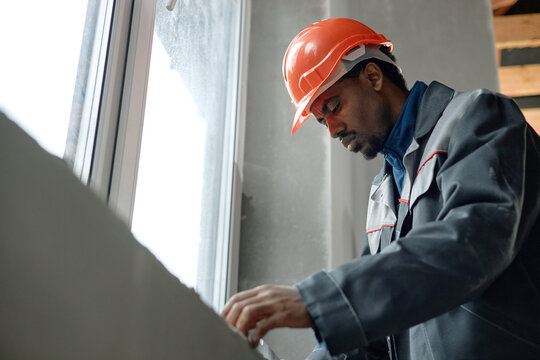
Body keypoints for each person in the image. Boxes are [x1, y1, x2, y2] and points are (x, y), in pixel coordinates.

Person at [222, 18, 540, 360]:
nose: (332, 130)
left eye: (332, 107)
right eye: (321, 120)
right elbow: (375, 337)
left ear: (373, 77)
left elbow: (475, 241)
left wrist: (318, 300)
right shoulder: (384, 196)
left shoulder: (478, 118)